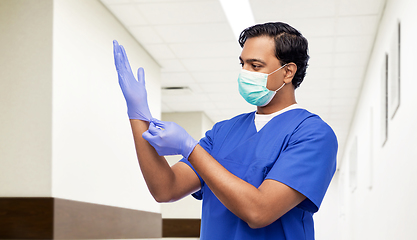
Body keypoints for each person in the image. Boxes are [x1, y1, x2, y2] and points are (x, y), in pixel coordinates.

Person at [113, 22, 338, 240]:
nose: (244, 72)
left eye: (255, 66)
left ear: (288, 72)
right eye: (242, 64)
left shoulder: (313, 134)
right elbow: (166, 189)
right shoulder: (223, 132)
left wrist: (189, 148)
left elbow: (259, 212)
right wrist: (137, 114)